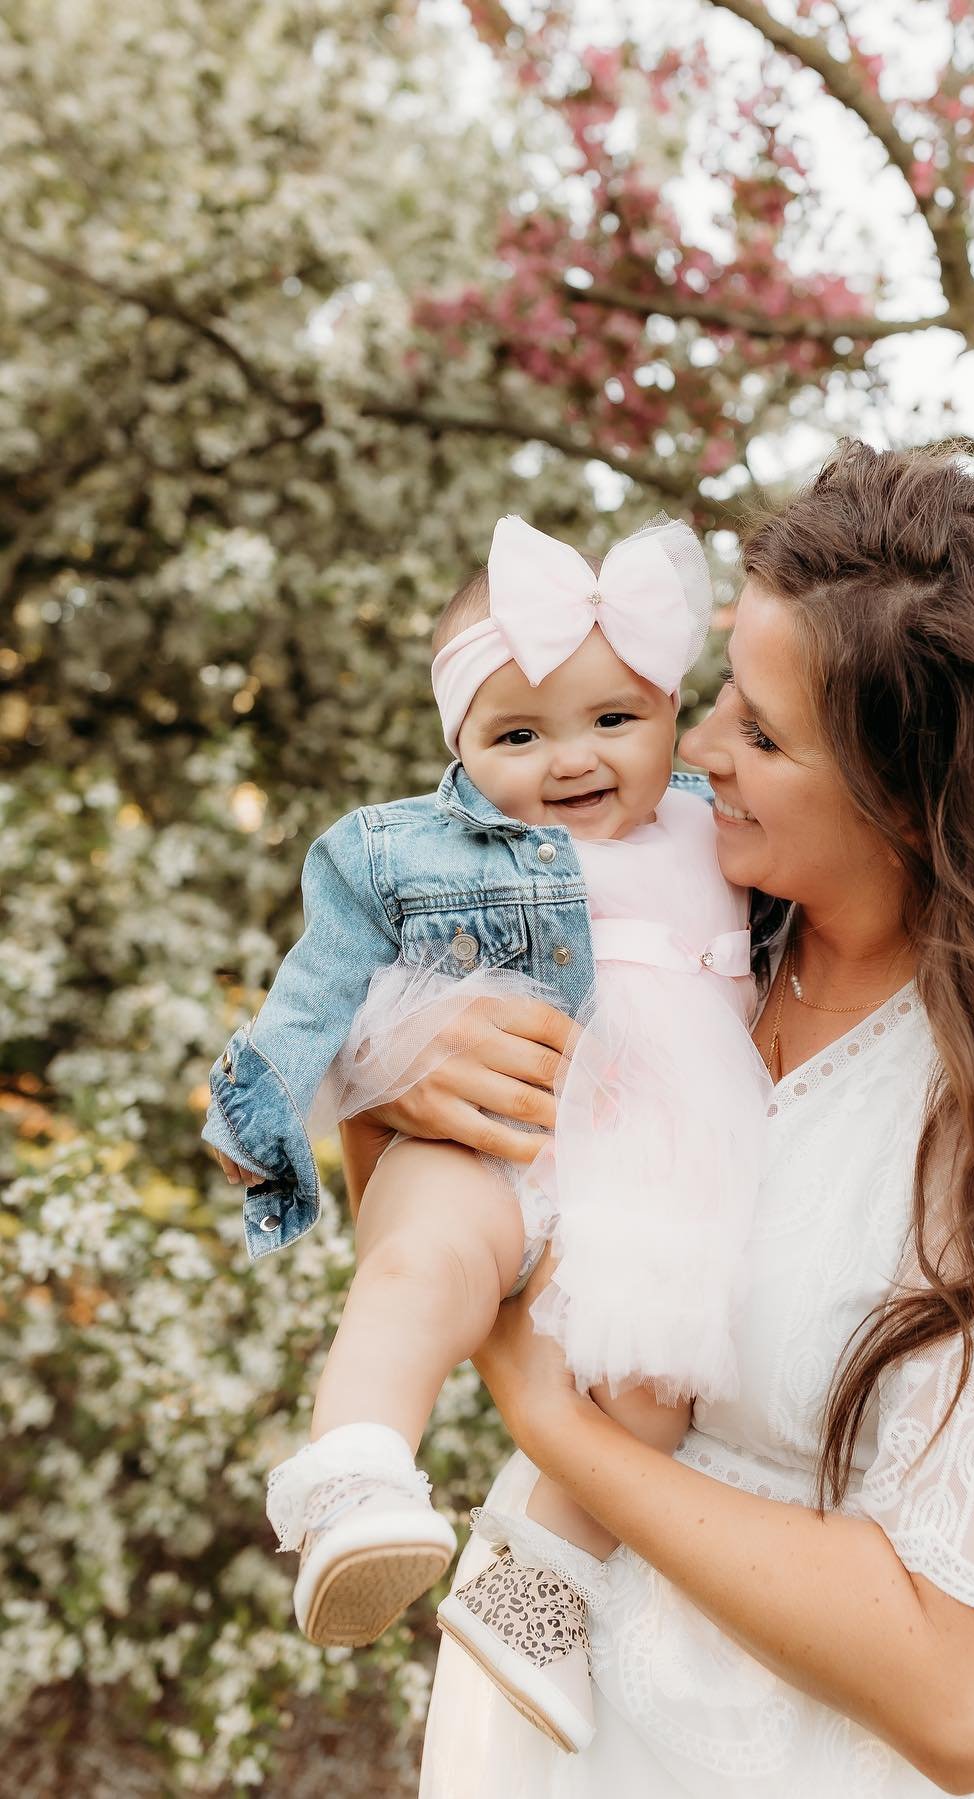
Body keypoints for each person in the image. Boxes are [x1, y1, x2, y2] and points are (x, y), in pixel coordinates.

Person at [348, 442, 974, 1797]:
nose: (699, 743)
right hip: (529, 1727)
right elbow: (438, 1243)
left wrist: (559, 1426)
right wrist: (406, 1086)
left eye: (764, 734)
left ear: (913, 801)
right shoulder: (678, 925)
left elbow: (965, 1693)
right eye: (723, 690)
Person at [202, 513, 770, 1753]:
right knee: (425, 1265)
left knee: (651, 1389)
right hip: (485, 1144)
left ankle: (535, 1590)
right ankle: (355, 1476)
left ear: (673, 716)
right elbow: (313, 999)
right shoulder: (404, 849)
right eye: (518, 734)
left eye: (614, 720)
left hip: (647, 1180)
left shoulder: (722, 834)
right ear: (457, 743)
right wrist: (269, 1110)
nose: (570, 759)